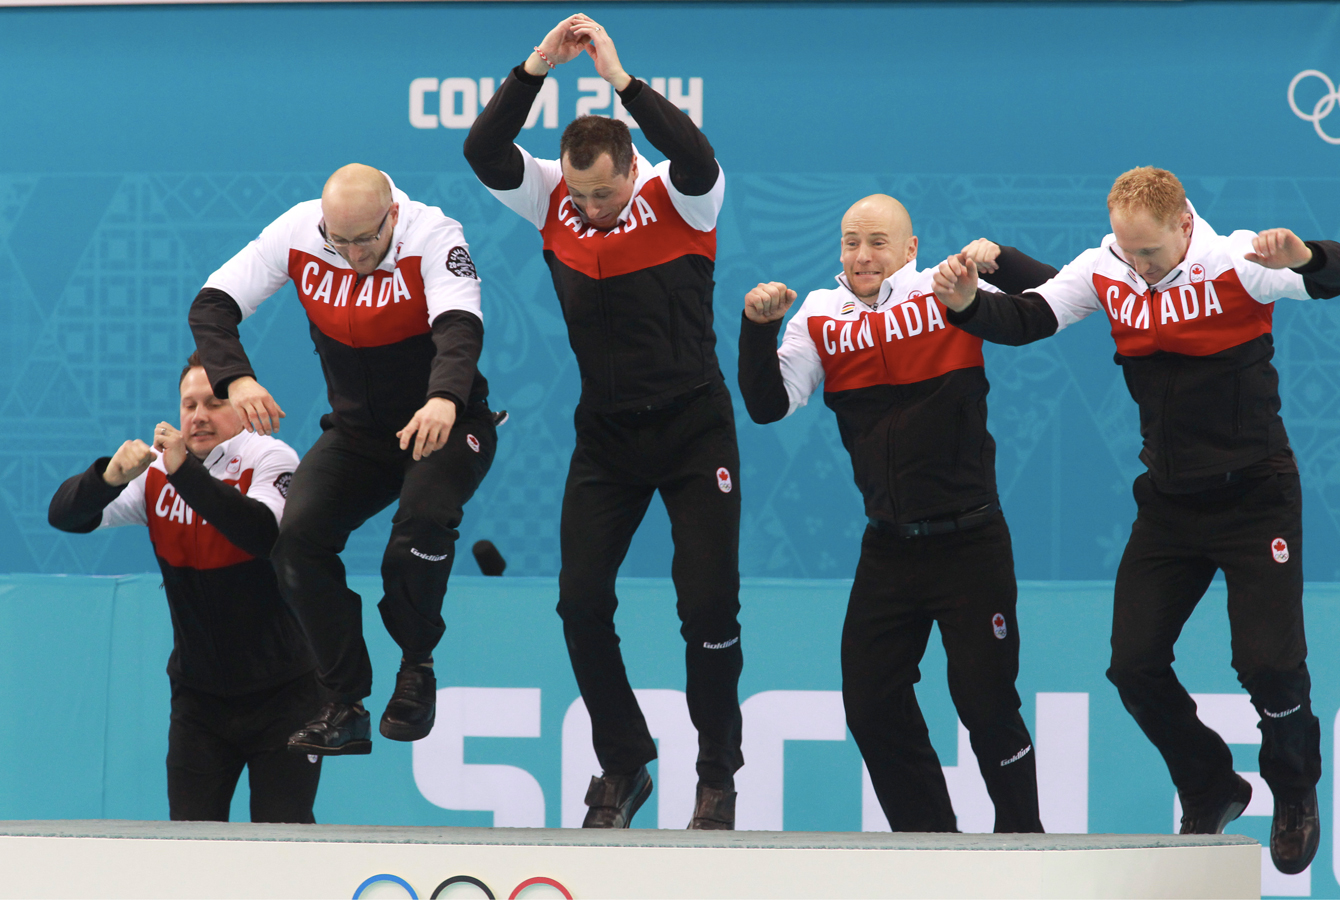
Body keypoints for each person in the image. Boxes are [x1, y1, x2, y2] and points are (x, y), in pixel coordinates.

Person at [933, 166, 1340, 872]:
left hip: (1255, 497)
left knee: (1269, 666)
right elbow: (1030, 317)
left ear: (1185, 223)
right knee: (1133, 666)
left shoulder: (1240, 263)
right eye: (1128, 251)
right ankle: (1209, 781)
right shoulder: (1107, 267)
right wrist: (968, 303)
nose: (1139, 267)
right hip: (1169, 505)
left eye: (1149, 252)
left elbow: (1328, 278)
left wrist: (1305, 258)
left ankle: (1296, 789)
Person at [463, 14, 741, 829]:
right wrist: (535, 67)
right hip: (608, 439)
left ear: (630, 168)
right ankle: (624, 763)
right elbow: (484, 151)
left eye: (604, 192)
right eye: (579, 194)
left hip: (695, 428)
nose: (590, 207)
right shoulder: (553, 197)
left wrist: (620, 78)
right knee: (580, 602)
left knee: (708, 607)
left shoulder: (681, 196)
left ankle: (717, 774)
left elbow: (694, 152)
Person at [738, 194, 1054, 833]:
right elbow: (768, 405)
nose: (862, 255)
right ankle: (930, 848)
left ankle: (1025, 844)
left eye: (878, 242)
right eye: (852, 242)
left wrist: (1000, 259)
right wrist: (756, 327)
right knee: (870, 703)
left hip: (971, 540)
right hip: (889, 548)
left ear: (910, 249)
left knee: (986, 703)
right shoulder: (820, 317)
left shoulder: (950, 289)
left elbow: (1055, 298)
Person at [188, 164, 497, 755]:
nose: (353, 254)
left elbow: (460, 326)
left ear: (392, 216)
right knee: (297, 540)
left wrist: (443, 398)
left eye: (366, 240)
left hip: (444, 422)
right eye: (340, 240)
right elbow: (211, 305)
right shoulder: (302, 230)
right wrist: (236, 379)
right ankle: (344, 703)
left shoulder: (434, 235)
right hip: (358, 434)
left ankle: (416, 666)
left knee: (421, 520)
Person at [48, 353, 320, 822]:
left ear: (241, 406)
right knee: (191, 850)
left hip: (284, 695)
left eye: (214, 403)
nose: (198, 416)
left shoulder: (270, 457)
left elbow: (261, 534)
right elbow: (65, 517)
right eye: (188, 405)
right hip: (200, 703)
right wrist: (108, 478)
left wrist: (183, 472)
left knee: (283, 844)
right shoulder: (157, 474)